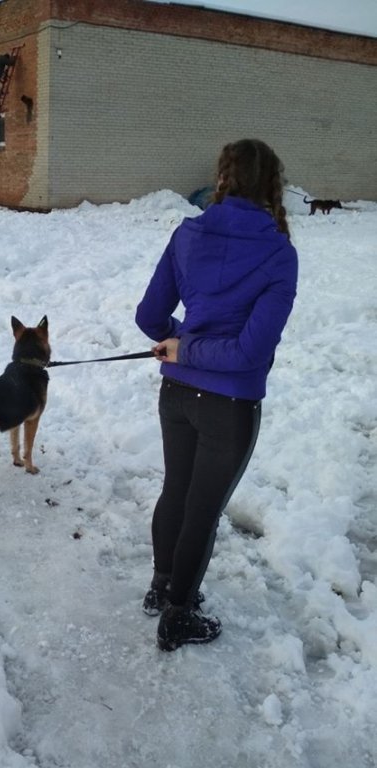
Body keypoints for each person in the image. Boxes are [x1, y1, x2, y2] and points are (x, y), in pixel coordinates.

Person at [135, 138, 298, 652]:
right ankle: (177, 613)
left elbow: (150, 317)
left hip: (179, 393)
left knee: (177, 493)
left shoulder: (188, 234)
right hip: (229, 408)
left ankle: (163, 587)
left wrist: (181, 345)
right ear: (271, 185)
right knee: (199, 509)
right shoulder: (279, 253)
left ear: (223, 178)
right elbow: (249, 352)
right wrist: (184, 349)